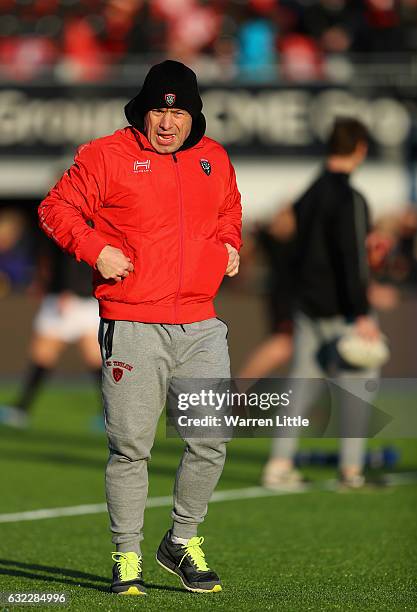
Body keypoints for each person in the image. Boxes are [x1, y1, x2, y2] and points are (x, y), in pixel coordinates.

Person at [38, 60, 242, 596]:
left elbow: (229, 208)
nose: (168, 123)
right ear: (142, 111)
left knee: (211, 442)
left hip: (201, 323)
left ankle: (181, 541)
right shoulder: (105, 155)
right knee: (131, 448)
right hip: (132, 323)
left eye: (178, 112)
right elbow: (55, 208)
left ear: (194, 116)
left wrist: (230, 243)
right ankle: (127, 557)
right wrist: (94, 249)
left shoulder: (214, 158)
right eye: (158, 110)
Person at [262, 117, 382, 491]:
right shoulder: (350, 197)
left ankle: (278, 466)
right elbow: (352, 259)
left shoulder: (309, 193)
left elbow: (287, 247)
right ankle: (351, 471)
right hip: (341, 310)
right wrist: (361, 312)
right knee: (358, 386)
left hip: (307, 304)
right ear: (359, 148)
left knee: (300, 386)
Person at [0, 236, 101, 428]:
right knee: (48, 356)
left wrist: (68, 289)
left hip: (69, 300)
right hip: (78, 298)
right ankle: (21, 409)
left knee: (49, 355)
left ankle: (21, 409)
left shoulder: (72, 224)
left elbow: (74, 258)